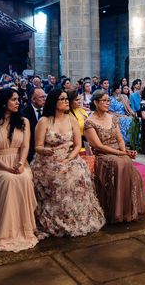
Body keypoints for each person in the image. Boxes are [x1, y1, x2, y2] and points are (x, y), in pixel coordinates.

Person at [31, 89, 105, 238]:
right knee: (60, 178)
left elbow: (77, 145)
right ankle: (56, 219)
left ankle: (77, 218)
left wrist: (68, 159)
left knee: (78, 175)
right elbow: (37, 146)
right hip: (48, 160)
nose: (66, 102)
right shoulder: (44, 121)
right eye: (62, 99)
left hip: (69, 157)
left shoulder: (71, 119)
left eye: (66, 99)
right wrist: (45, 151)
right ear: (54, 102)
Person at [0, 88, 38, 252]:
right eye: (13, 99)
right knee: (9, 179)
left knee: (25, 178)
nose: (17, 102)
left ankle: (24, 229)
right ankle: (5, 231)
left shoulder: (23, 121)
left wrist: (20, 163)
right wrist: (6, 167)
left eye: (18, 99)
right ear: (3, 102)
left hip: (18, 161)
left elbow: (26, 145)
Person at [84, 90, 145, 223]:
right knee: (119, 163)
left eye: (109, 100)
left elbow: (120, 139)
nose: (108, 103)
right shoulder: (89, 122)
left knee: (127, 162)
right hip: (103, 155)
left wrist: (125, 151)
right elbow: (98, 146)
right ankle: (116, 210)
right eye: (104, 101)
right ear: (96, 102)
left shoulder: (112, 118)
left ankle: (128, 209)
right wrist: (120, 153)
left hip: (118, 151)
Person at [22, 87, 46, 162]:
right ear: (33, 99)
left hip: (47, 151)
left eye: (45, 96)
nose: (44, 99)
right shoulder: (23, 113)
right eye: (41, 97)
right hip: (30, 152)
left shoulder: (49, 111)